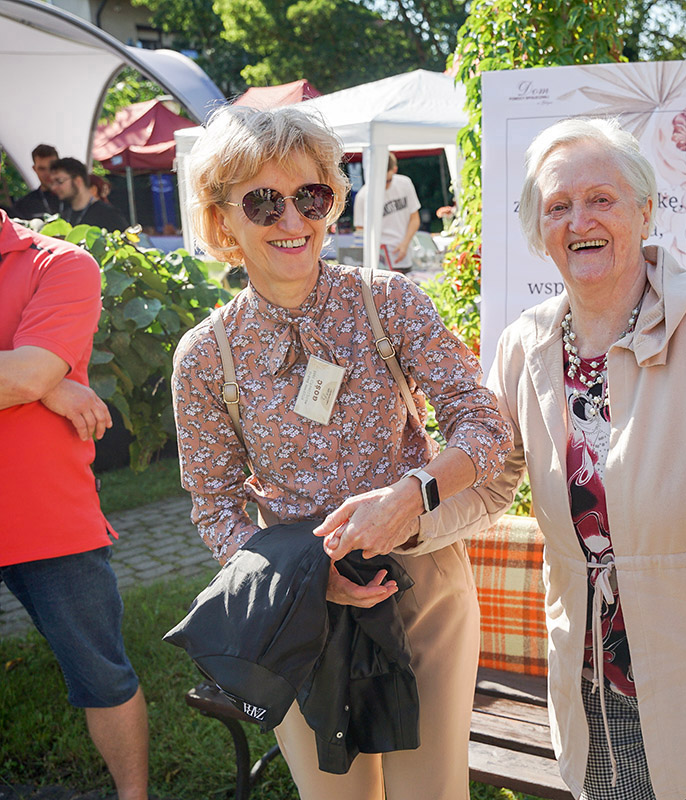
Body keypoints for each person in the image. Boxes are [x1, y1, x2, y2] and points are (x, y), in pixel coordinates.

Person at [433, 117, 686, 800]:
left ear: (643, 212)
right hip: (592, 677)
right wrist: (400, 517)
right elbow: (483, 481)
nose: (581, 219)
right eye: (558, 206)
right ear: (538, 229)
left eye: (602, 198)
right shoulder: (526, 345)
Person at [171, 105, 511, 800]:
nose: (291, 222)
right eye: (262, 202)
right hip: (302, 606)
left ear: (333, 205)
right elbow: (215, 507)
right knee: (337, 795)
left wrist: (411, 495)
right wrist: (305, 583)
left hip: (421, 578)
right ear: (222, 221)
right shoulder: (206, 356)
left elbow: (483, 421)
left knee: (432, 791)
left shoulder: (389, 302)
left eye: (310, 197)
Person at [0, 209, 147, 800]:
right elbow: (27, 374)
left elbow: (30, 371)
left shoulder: (58, 263)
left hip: (47, 517)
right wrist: (37, 379)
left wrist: (37, 374)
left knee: (101, 675)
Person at [354, 152, 421, 271]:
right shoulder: (363, 196)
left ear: (395, 170)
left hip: (404, 257)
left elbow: (415, 218)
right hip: (380, 263)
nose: (384, 185)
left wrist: (405, 244)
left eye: (388, 181)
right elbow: (360, 232)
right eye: (380, 181)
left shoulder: (405, 183)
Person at [49, 158, 129, 231]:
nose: (54, 187)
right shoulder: (64, 215)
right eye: (52, 183)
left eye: (59, 181)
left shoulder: (109, 215)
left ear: (78, 181)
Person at [11, 143, 64, 220]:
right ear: (34, 169)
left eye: (52, 167)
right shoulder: (23, 206)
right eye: (42, 169)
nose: (48, 173)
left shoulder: (75, 198)